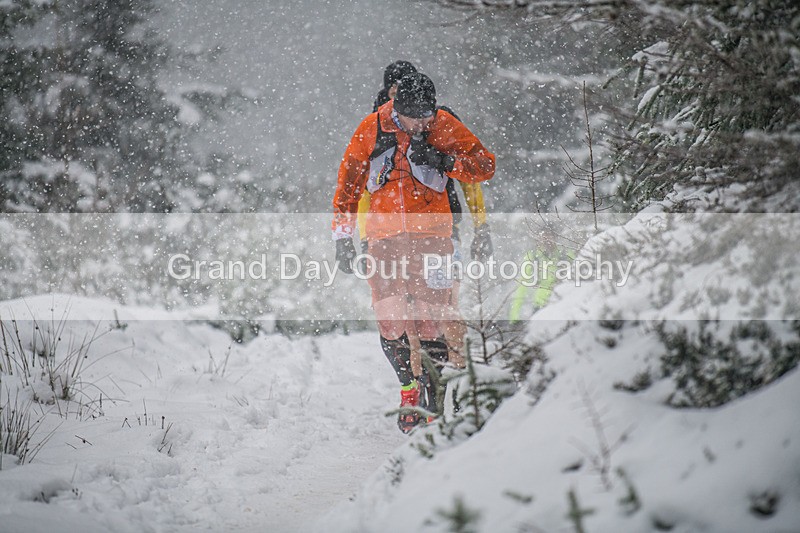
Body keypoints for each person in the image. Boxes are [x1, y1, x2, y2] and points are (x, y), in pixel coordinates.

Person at [332, 72, 496, 433]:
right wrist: (343, 237)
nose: (423, 124)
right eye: (415, 118)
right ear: (397, 111)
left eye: (428, 116)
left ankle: (432, 399)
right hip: (384, 239)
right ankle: (409, 387)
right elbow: (348, 186)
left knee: (432, 320)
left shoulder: (442, 124)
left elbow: (486, 165)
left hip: (435, 238)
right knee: (391, 321)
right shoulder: (371, 129)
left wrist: (445, 162)